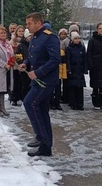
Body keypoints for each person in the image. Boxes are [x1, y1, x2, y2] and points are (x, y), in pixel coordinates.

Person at [19, 12, 60, 157]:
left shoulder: (50, 37)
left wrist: (38, 72)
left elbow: (55, 60)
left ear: (38, 23)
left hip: (46, 81)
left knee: (30, 103)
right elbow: (32, 57)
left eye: (29, 23)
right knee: (42, 111)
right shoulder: (35, 38)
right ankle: (46, 147)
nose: (27, 26)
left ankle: (40, 136)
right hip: (36, 81)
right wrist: (25, 64)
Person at [65, 31, 87, 110]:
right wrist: (69, 69)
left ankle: (80, 104)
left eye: (78, 38)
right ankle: (73, 103)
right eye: (75, 39)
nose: (77, 40)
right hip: (73, 70)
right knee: (72, 88)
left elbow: (85, 59)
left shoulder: (82, 48)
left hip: (80, 70)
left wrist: (85, 69)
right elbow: (68, 60)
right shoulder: (69, 48)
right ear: (72, 40)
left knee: (80, 88)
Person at [9, 25, 25, 106]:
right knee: (16, 81)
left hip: (23, 64)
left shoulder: (25, 41)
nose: (21, 33)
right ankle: (14, 97)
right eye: (19, 31)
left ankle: (21, 97)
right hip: (15, 64)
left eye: (22, 31)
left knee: (22, 82)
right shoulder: (12, 41)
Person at [15, 28, 32, 100]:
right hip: (24, 68)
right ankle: (23, 99)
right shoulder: (21, 46)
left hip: (32, 68)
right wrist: (21, 63)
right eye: (29, 36)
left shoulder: (34, 44)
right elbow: (17, 57)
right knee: (24, 85)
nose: (31, 37)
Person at [58, 28, 69, 104]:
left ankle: (65, 96)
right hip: (59, 62)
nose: (63, 35)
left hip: (65, 62)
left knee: (65, 81)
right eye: (62, 34)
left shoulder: (68, 42)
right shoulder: (57, 42)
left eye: (64, 34)